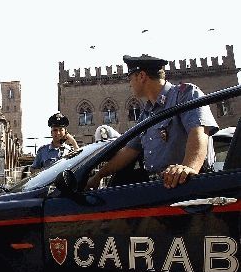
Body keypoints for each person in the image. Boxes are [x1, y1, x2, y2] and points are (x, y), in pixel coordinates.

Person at [86, 54, 218, 190]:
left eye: (130, 78)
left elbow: (199, 132)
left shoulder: (185, 94)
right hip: (160, 188)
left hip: (188, 185)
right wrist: (98, 176)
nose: (129, 84)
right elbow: (129, 151)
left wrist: (189, 168)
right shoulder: (146, 114)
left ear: (141, 76)